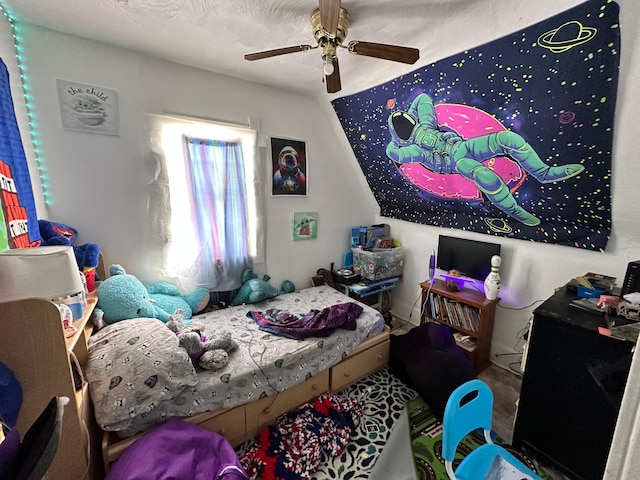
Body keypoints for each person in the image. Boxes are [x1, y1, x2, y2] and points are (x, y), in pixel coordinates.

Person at [386, 93, 584, 226]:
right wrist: (396, 143)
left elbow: (422, 98)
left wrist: (409, 118)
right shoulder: (415, 150)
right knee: (486, 176)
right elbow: (393, 153)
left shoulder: (427, 124)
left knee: (508, 138)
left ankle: (543, 173)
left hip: (462, 147)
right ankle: (514, 210)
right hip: (456, 162)